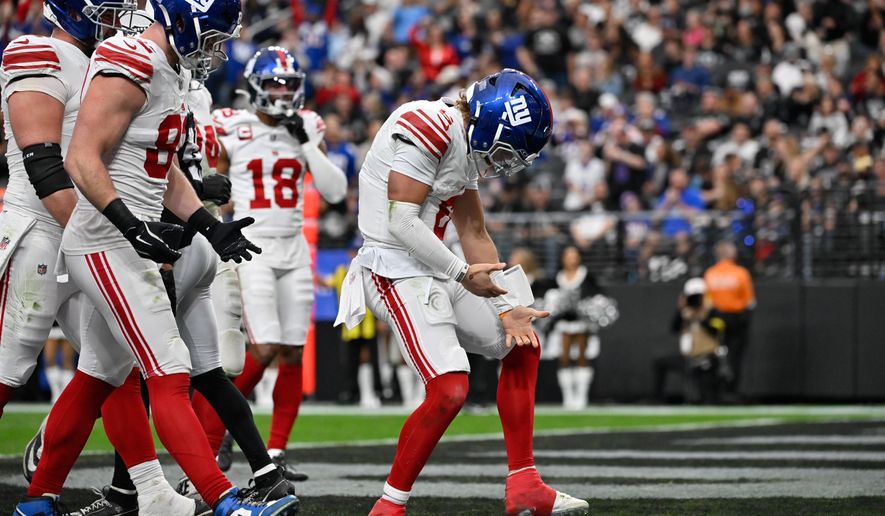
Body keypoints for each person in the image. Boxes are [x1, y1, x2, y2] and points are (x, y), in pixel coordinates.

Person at [15, 0, 300, 513]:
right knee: (169, 369)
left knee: (100, 373)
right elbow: (81, 156)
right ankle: (225, 499)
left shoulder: (166, 70)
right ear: (186, 19)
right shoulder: (131, 58)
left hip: (130, 238)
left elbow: (162, 170)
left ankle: (38, 499)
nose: (216, 48)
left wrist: (209, 227)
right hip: (105, 239)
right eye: (212, 35)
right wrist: (130, 224)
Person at [336, 68, 588, 515]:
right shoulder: (426, 123)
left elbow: (473, 230)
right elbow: (401, 221)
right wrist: (461, 273)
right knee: (450, 389)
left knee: (523, 341)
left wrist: (509, 305)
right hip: (393, 269)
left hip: (438, 269)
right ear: (489, 120)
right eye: (508, 148)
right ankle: (389, 506)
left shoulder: (466, 144)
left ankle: (524, 484)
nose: (508, 163)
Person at [1, 0, 214, 513]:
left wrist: (194, 215)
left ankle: (139, 489)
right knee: (9, 366)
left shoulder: (116, 60)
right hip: (41, 232)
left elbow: (139, 157)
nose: (118, 20)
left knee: (112, 365)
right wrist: (112, 230)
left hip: (91, 230)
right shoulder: (36, 52)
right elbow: (45, 166)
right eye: (109, 9)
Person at [193, 45, 348, 480]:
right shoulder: (231, 124)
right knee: (261, 348)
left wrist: (305, 142)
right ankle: (216, 436)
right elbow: (209, 181)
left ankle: (277, 450)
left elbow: (335, 191)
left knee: (293, 352)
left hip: (295, 247)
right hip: (252, 244)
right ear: (256, 87)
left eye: (289, 85)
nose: (283, 93)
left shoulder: (309, 125)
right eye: (275, 84)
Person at [544, 246, 602, 410]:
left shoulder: (586, 276)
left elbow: (596, 296)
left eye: (574, 256)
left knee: (582, 357)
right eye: (568, 256)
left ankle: (581, 396)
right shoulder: (558, 277)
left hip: (582, 323)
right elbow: (551, 298)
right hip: (564, 324)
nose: (571, 259)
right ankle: (568, 397)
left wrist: (586, 307)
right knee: (564, 359)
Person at [704, 241, 755, 398]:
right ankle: (731, 389)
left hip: (715, 319)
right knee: (735, 355)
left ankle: (715, 389)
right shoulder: (740, 273)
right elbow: (750, 302)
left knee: (714, 354)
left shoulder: (710, 273)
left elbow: (707, 302)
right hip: (736, 319)